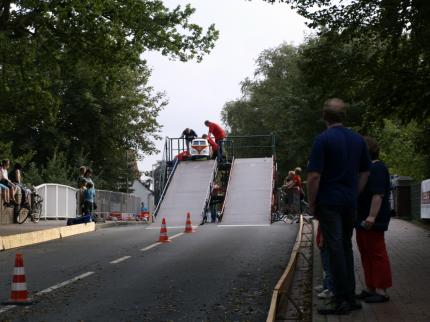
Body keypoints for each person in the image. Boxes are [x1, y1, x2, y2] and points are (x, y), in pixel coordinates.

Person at [307, 98, 371, 315]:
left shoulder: (322, 140)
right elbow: (365, 171)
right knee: (344, 246)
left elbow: (314, 176)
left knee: (334, 248)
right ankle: (350, 296)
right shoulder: (358, 140)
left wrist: (312, 203)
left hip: (329, 202)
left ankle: (341, 299)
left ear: (324, 117)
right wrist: (354, 193)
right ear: (345, 116)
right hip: (348, 203)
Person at [355, 136, 392, 303]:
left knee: (376, 253)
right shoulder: (370, 168)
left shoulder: (377, 168)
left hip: (372, 220)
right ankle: (370, 287)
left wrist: (371, 216)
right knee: (366, 253)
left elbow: (378, 195)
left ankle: (382, 291)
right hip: (363, 218)